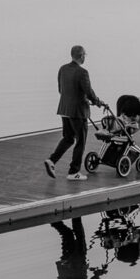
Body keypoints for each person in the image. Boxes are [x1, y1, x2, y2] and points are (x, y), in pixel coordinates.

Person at [44, 45, 105, 181]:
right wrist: (98, 102)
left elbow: (61, 89)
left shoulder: (62, 69)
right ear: (82, 55)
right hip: (77, 112)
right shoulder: (82, 72)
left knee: (68, 138)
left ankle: (52, 160)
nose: (85, 57)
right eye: (85, 55)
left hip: (64, 110)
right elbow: (89, 93)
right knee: (81, 141)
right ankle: (74, 172)